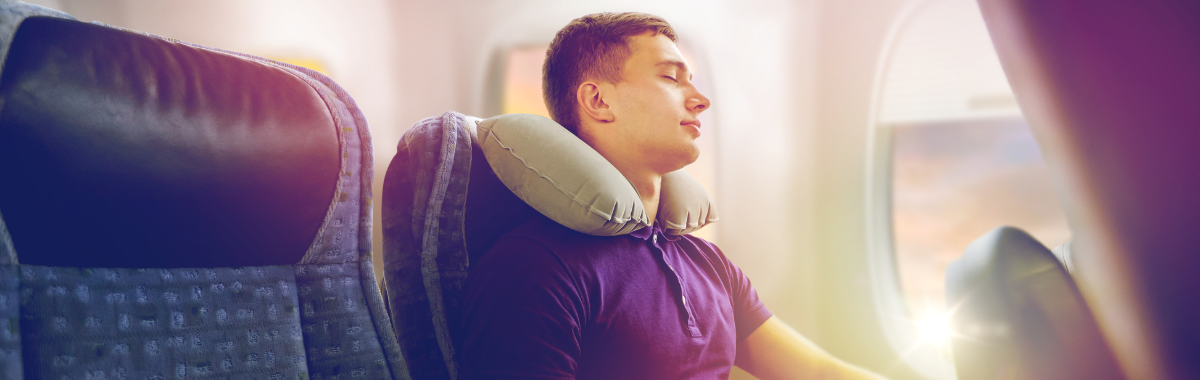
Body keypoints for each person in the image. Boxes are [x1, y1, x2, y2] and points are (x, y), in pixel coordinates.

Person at [459, 12, 890, 380]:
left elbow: (816, 372)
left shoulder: (707, 263)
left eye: (695, 81)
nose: (700, 100)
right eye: (670, 77)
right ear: (597, 100)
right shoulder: (534, 269)